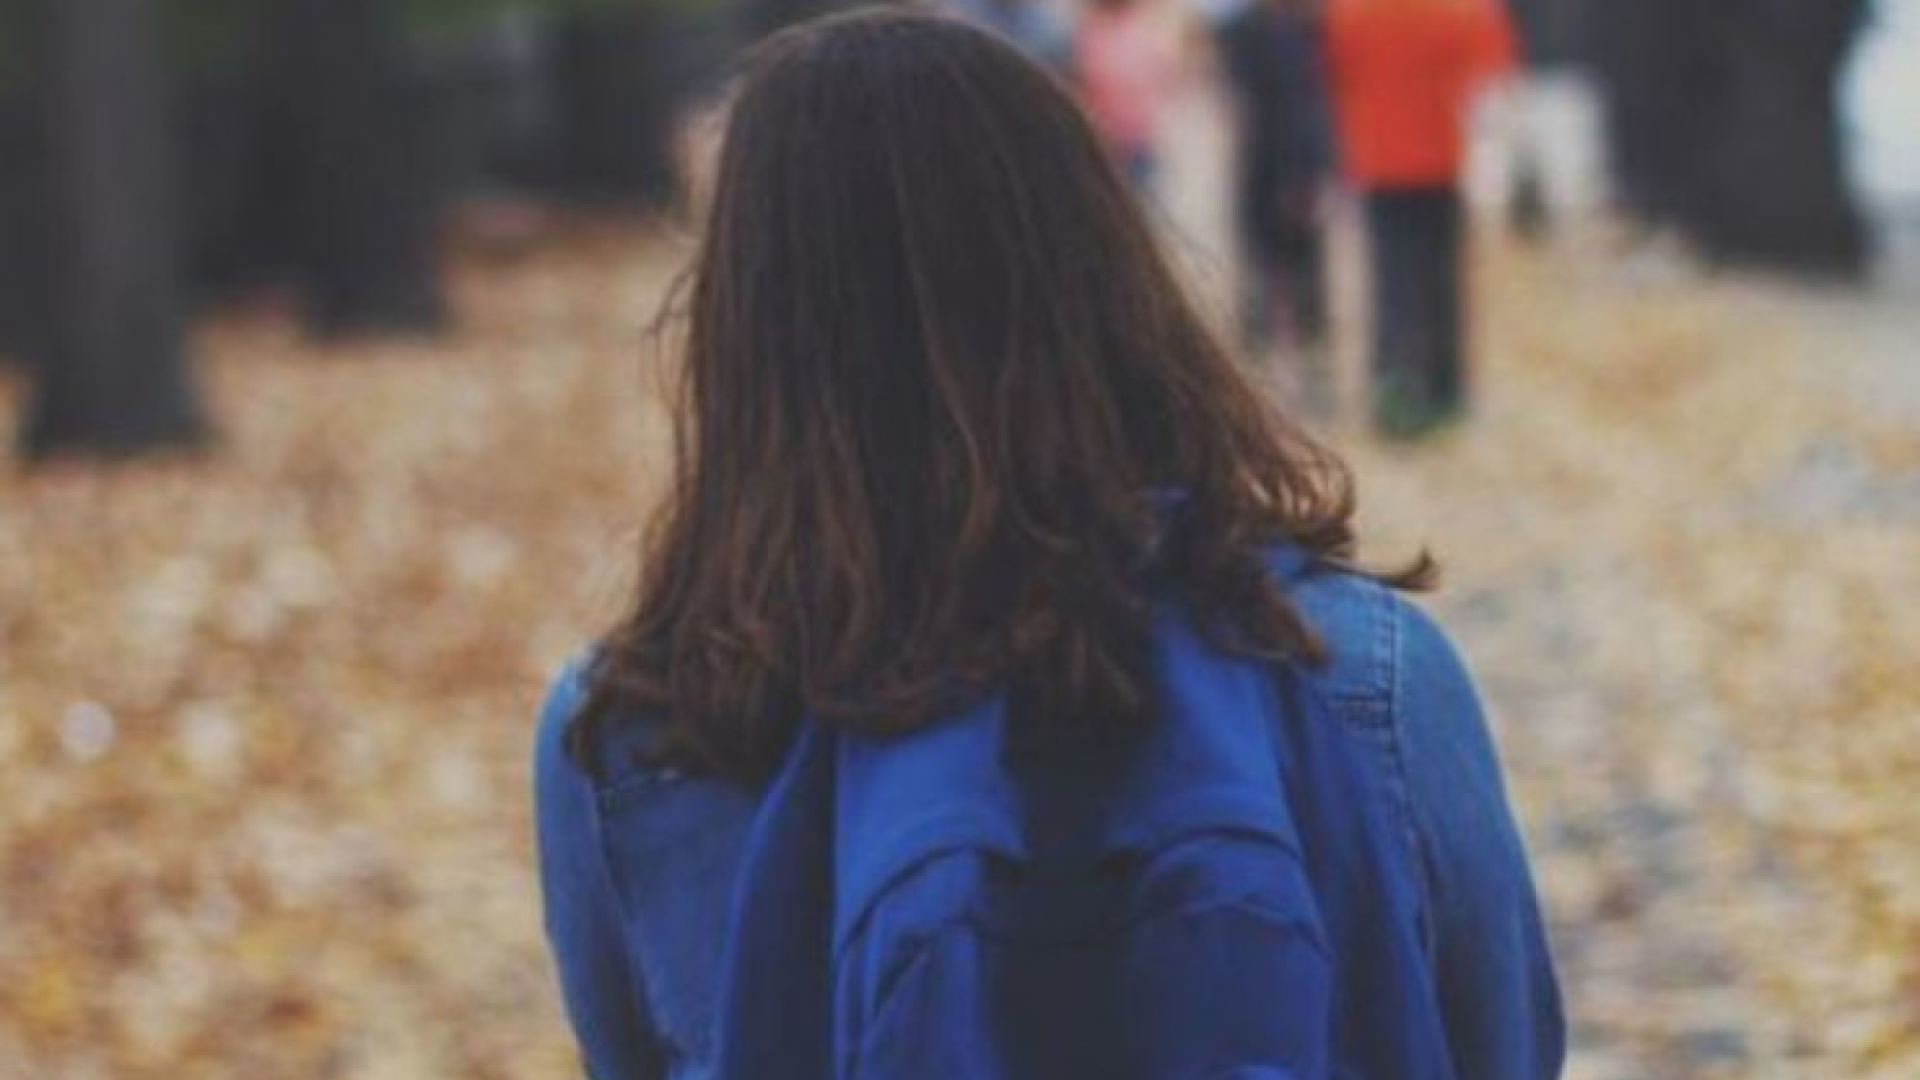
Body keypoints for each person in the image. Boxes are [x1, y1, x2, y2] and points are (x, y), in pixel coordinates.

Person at [535, 10, 1562, 1080]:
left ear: (740, 330)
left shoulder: (634, 729)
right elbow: (1500, 1047)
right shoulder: (1357, 669)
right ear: (1112, 278)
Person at [1324, 0, 1516, 437]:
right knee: (1441, 281)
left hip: (1376, 157)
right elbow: (1491, 82)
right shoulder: (1461, 10)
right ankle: (1447, 389)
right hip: (1442, 159)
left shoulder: (1350, 11)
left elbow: (1328, 76)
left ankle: (1396, 393)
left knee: (1393, 281)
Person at [1213, 0, 1336, 404]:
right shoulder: (1289, 30)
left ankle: (1301, 373)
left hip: (1280, 166)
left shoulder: (1302, 29)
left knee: (1291, 273)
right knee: (1276, 272)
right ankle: (1276, 373)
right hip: (1270, 167)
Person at [1075, 0, 1181, 191]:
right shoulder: (1093, 34)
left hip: (1136, 138)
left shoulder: (1139, 31)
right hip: (1108, 137)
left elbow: (1164, 74)